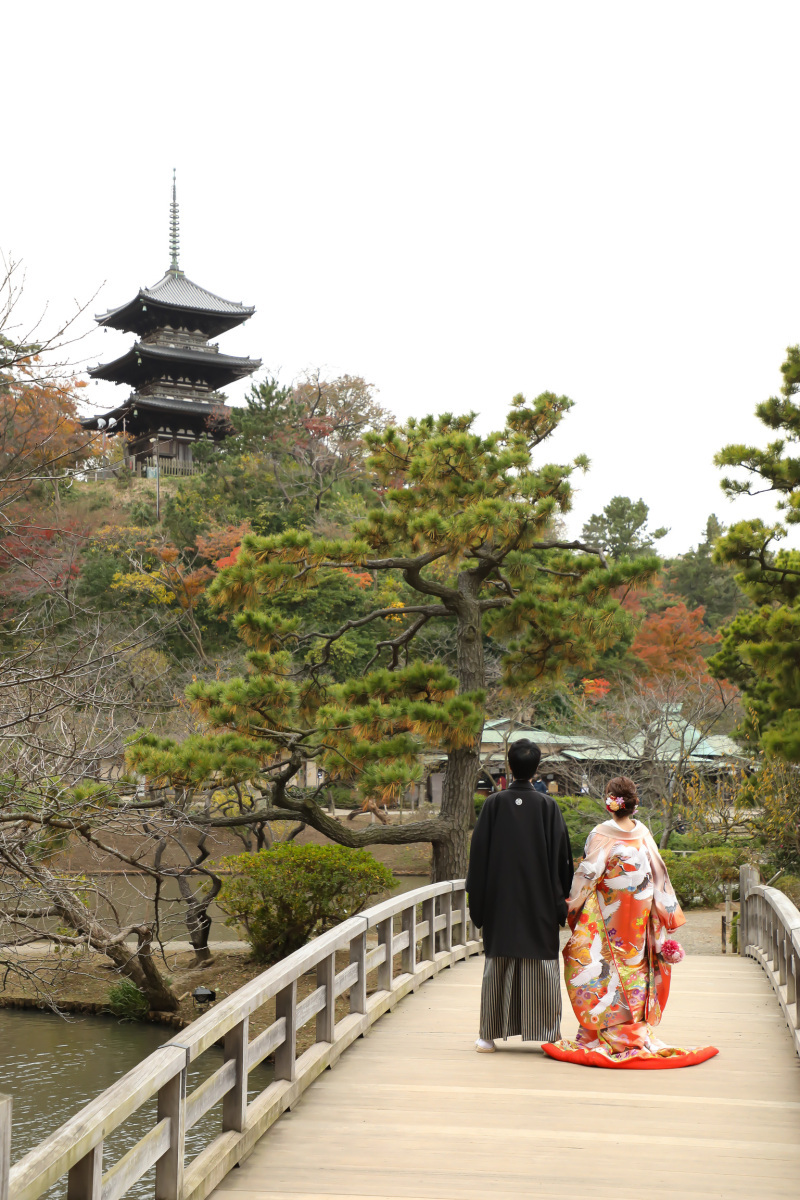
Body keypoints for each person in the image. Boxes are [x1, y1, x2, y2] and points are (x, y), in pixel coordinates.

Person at [543, 776, 718, 1069]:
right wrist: (666, 914)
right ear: (633, 804)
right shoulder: (643, 834)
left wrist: (569, 908)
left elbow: (587, 875)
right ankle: (632, 1030)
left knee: (593, 965)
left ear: (610, 802)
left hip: (606, 913)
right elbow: (660, 874)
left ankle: (601, 1032)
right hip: (640, 916)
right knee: (636, 968)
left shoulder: (601, 834)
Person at [466, 738, 574, 1052]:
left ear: (510, 766)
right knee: (541, 963)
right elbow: (562, 860)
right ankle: (549, 1032)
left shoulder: (493, 804)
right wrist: (560, 901)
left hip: (501, 902)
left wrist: (480, 904)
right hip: (539, 900)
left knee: (497, 964)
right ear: (535, 768)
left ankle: (488, 1034)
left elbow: (479, 858)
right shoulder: (548, 806)